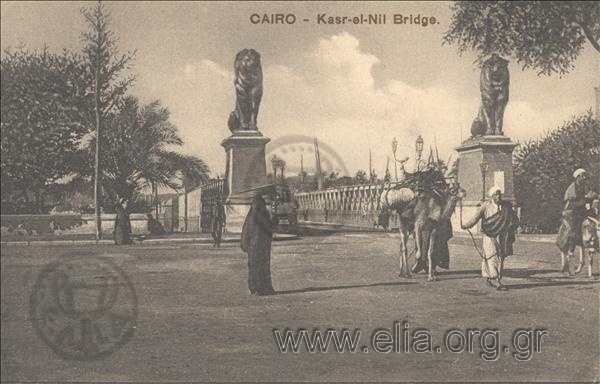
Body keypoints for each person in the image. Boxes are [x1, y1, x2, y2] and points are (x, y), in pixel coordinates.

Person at [462, 186, 519, 290]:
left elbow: (514, 219)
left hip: (502, 235)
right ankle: (497, 280)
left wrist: (512, 226)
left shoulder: (506, 207)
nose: (498, 196)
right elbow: (476, 217)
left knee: (501, 257)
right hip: (489, 235)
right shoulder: (485, 206)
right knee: (492, 255)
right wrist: (467, 225)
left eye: (499, 194)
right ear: (492, 196)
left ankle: (492, 278)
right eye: (496, 194)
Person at [556, 168, 598, 273]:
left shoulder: (585, 186)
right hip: (572, 210)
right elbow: (570, 199)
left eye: (584, 175)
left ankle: (593, 242)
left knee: (593, 220)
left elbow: (591, 194)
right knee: (573, 229)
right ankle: (570, 247)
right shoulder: (572, 187)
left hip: (582, 210)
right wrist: (584, 199)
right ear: (577, 177)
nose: (584, 177)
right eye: (582, 175)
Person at [241, 195, 274, 296]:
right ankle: (263, 289)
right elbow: (270, 229)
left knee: (253, 267)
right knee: (262, 267)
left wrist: (244, 245)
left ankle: (253, 288)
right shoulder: (264, 215)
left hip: (252, 247)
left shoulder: (250, 217)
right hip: (262, 247)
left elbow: (245, 232)